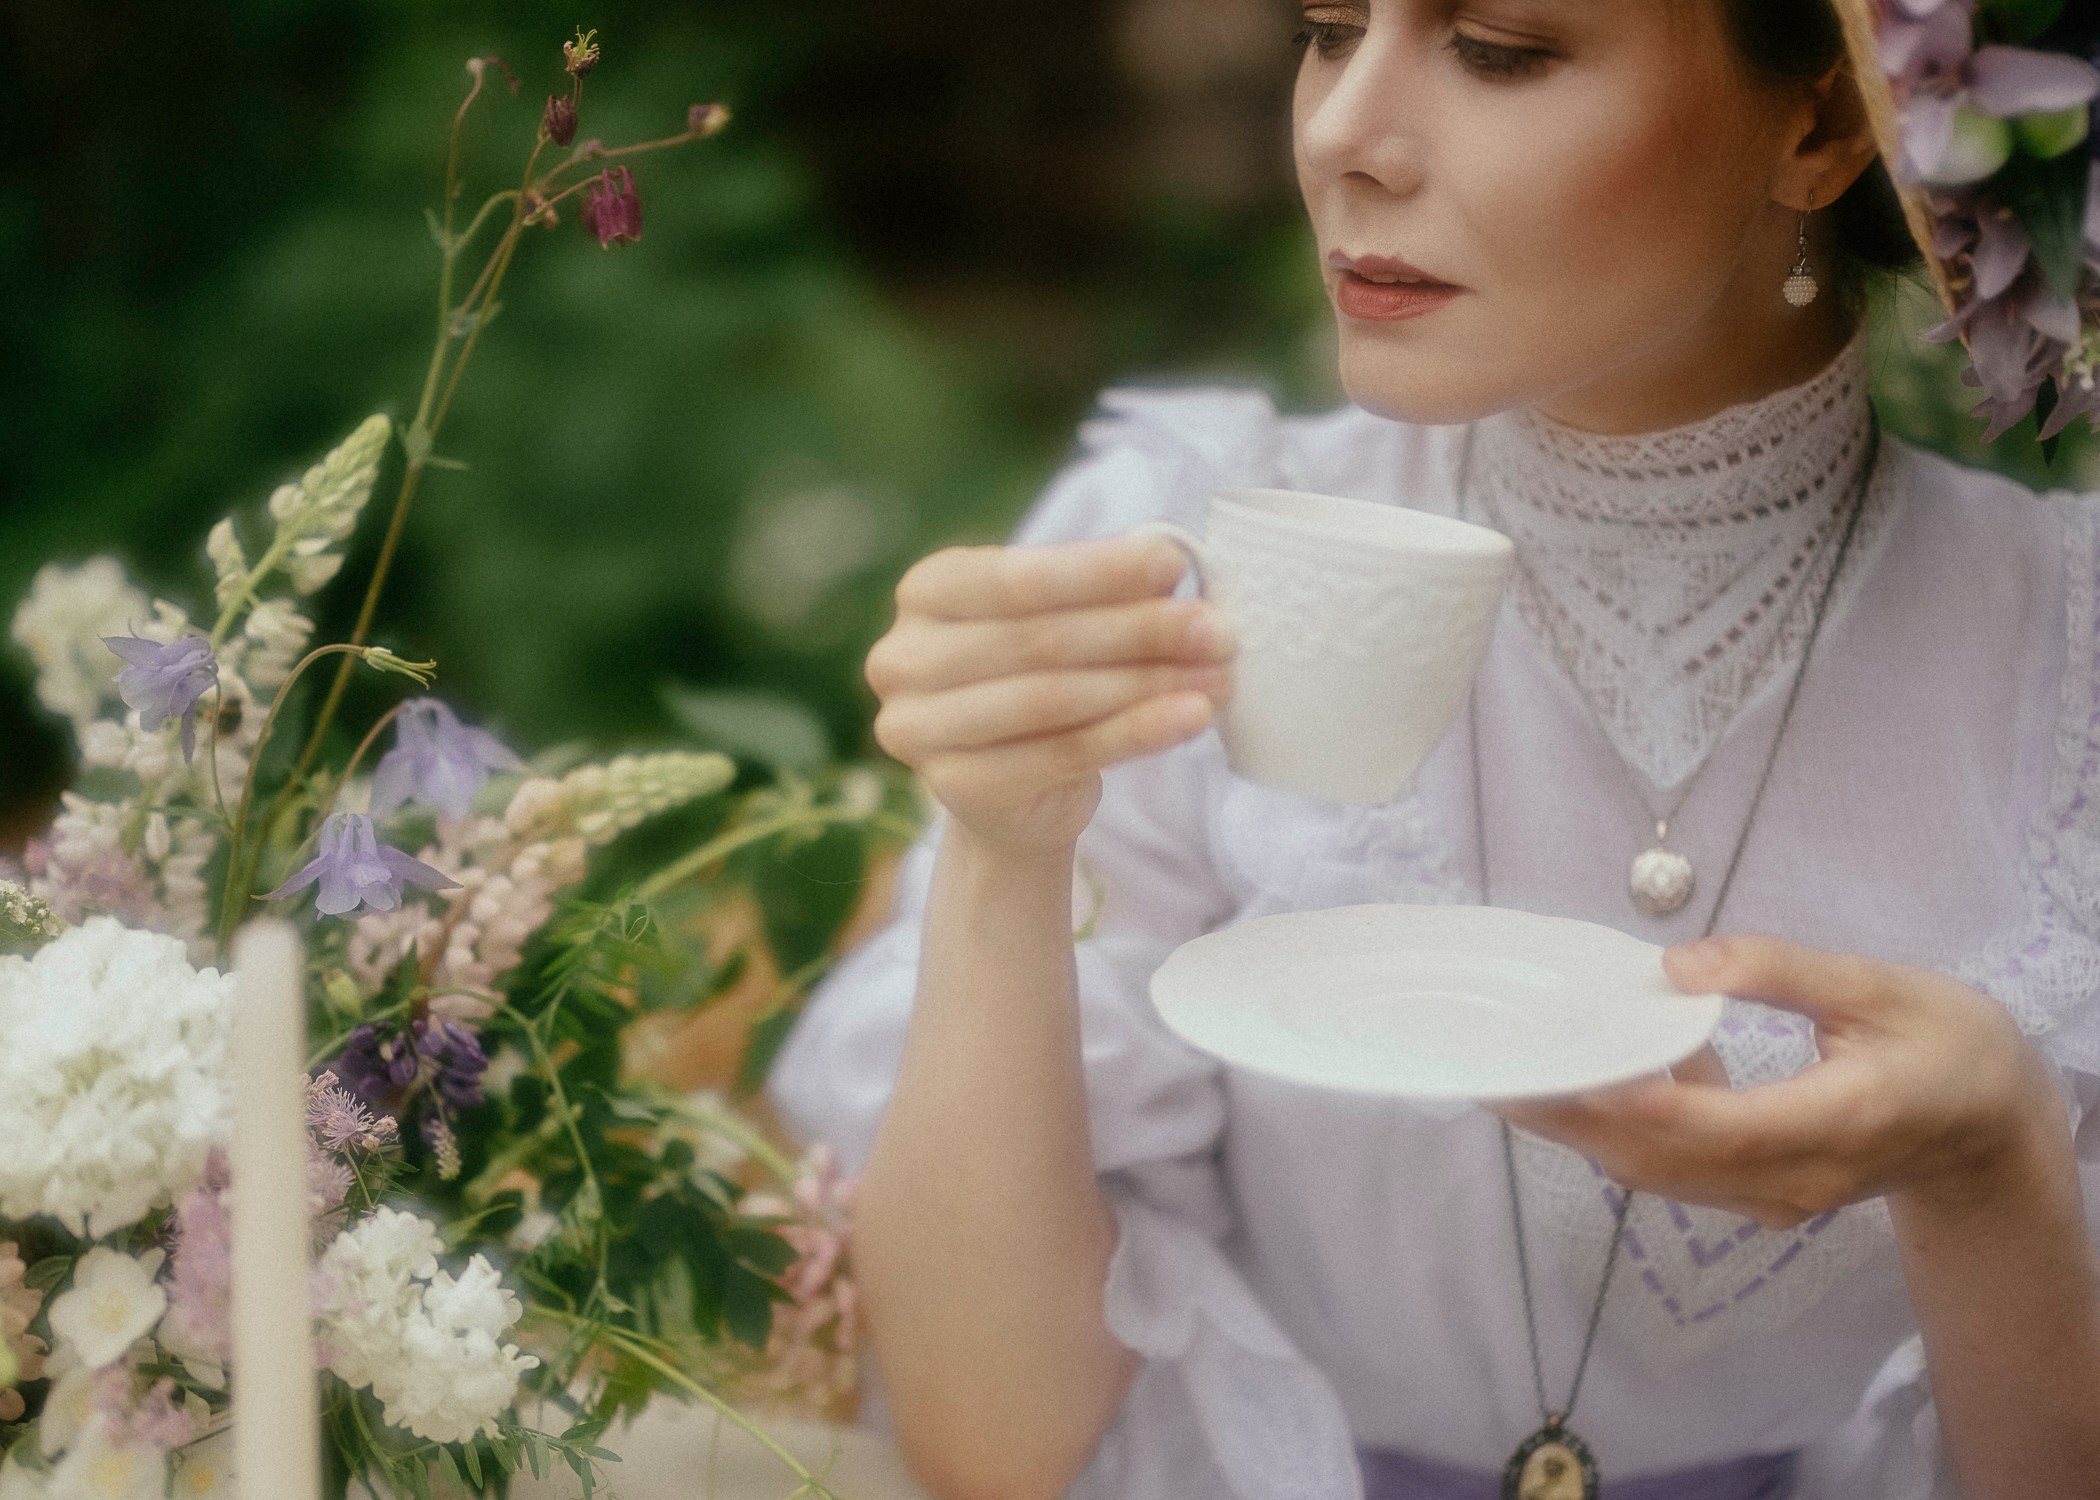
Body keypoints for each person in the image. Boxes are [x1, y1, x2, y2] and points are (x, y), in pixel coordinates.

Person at [769, 2, 2100, 1497]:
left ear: (1822, 126)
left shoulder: (2068, 668)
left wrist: (1995, 1171)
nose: (1340, 134)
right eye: (1329, 28)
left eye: (1499, 50)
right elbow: (996, 1447)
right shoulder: (1177, 558)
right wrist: (1005, 854)